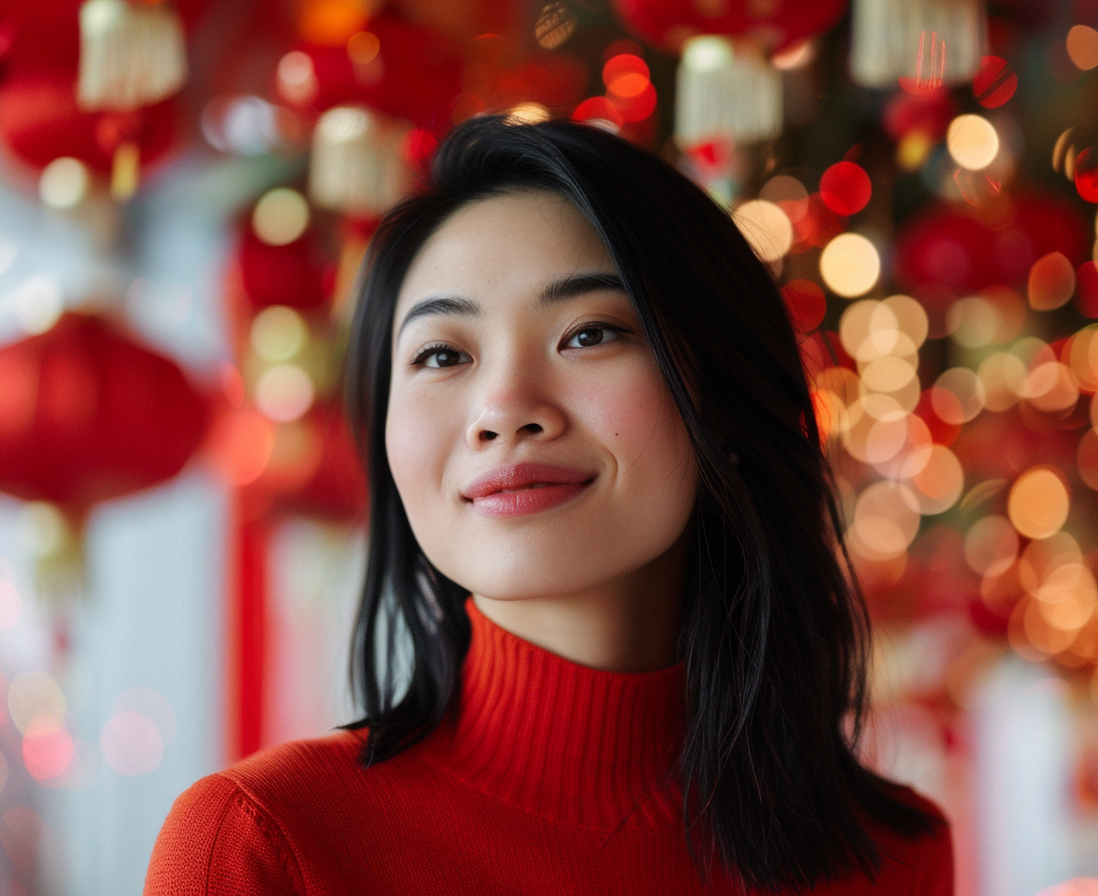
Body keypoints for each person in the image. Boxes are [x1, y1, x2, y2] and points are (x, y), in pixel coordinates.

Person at [145, 117, 953, 895]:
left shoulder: (891, 859)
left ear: (725, 401)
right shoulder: (260, 845)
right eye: (441, 354)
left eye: (588, 334)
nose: (502, 407)